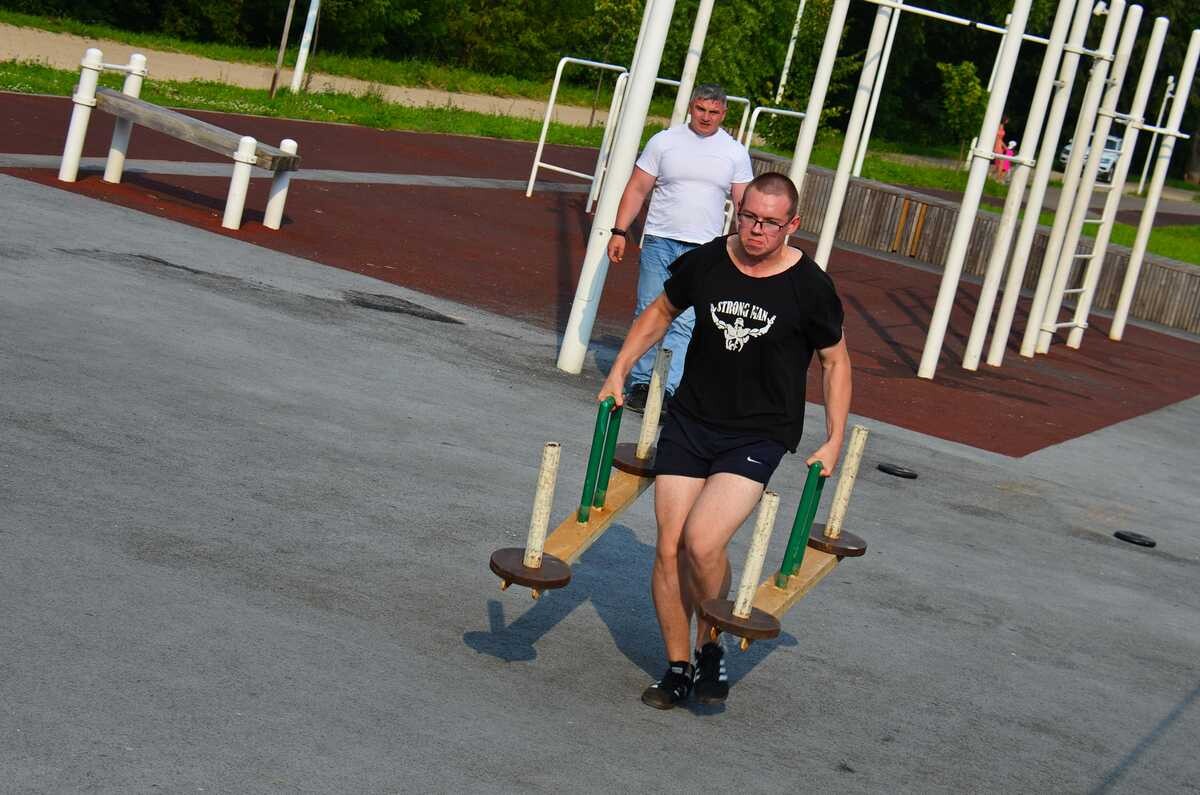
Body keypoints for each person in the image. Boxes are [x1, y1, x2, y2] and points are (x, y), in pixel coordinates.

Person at [597, 172, 853, 709]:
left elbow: (834, 362)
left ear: (793, 225)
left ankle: (709, 645)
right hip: (692, 419)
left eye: (770, 222)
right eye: (749, 217)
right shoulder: (711, 259)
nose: (757, 229)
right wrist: (619, 369)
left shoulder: (810, 286)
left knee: (702, 542)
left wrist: (834, 438)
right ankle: (677, 667)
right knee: (669, 546)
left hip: (759, 431)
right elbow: (661, 312)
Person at [607, 83, 754, 415]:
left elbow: (744, 204)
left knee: (685, 319)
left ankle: (666, 388)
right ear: (691, 107)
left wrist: (745, 248)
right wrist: (619, 231)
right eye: (701, 109)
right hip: (659, 239)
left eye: (714, 112)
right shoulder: (664, 142)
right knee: (647, 310)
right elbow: (637, 188)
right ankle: (640, 383)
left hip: (703, 249)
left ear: (724, 114)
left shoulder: (734, 152)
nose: (706, 117)